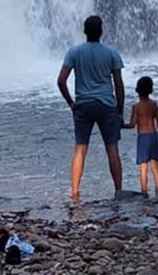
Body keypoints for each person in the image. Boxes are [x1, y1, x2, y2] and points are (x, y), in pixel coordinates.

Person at [57, 15, 125, 199]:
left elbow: (61, 81)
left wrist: (71, 103)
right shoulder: (111, 52)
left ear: (84, 31)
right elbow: (119, 85)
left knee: (80, 149)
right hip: (106, 105)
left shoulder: (74, 52)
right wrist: (120, 110)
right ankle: (118, 190)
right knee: (112, 148)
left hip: (83, 104)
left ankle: (75, 192)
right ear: (101, 31)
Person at [122, 76, 158, 197]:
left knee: (143, 166)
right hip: (154, 135)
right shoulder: (154, 104)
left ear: (137, 90)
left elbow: (132, 124)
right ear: (150, 90)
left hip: (143, 137)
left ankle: (144, 191)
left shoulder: (136, 106)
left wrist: (121, 125)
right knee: (155, 165)